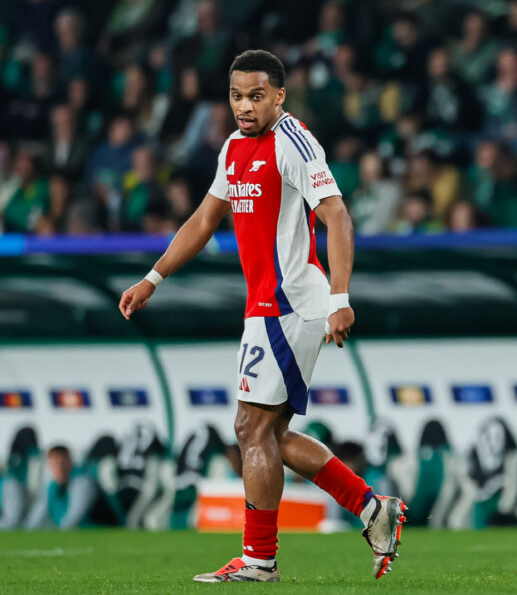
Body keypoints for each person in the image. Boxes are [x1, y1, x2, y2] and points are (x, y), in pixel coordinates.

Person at [118, 50, 406, 583]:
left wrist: (340, 298)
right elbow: (204, 220)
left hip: (293, 302)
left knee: (251, 429)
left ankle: (259, 561)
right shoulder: (233, 147)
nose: (244, 107)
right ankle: (372, 509)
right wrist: (151, 278)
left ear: (279, 95)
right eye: (235, 96)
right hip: (264, 308)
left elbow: (337, 216)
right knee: (266, 434)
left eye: (255, 96)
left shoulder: (294, 143)